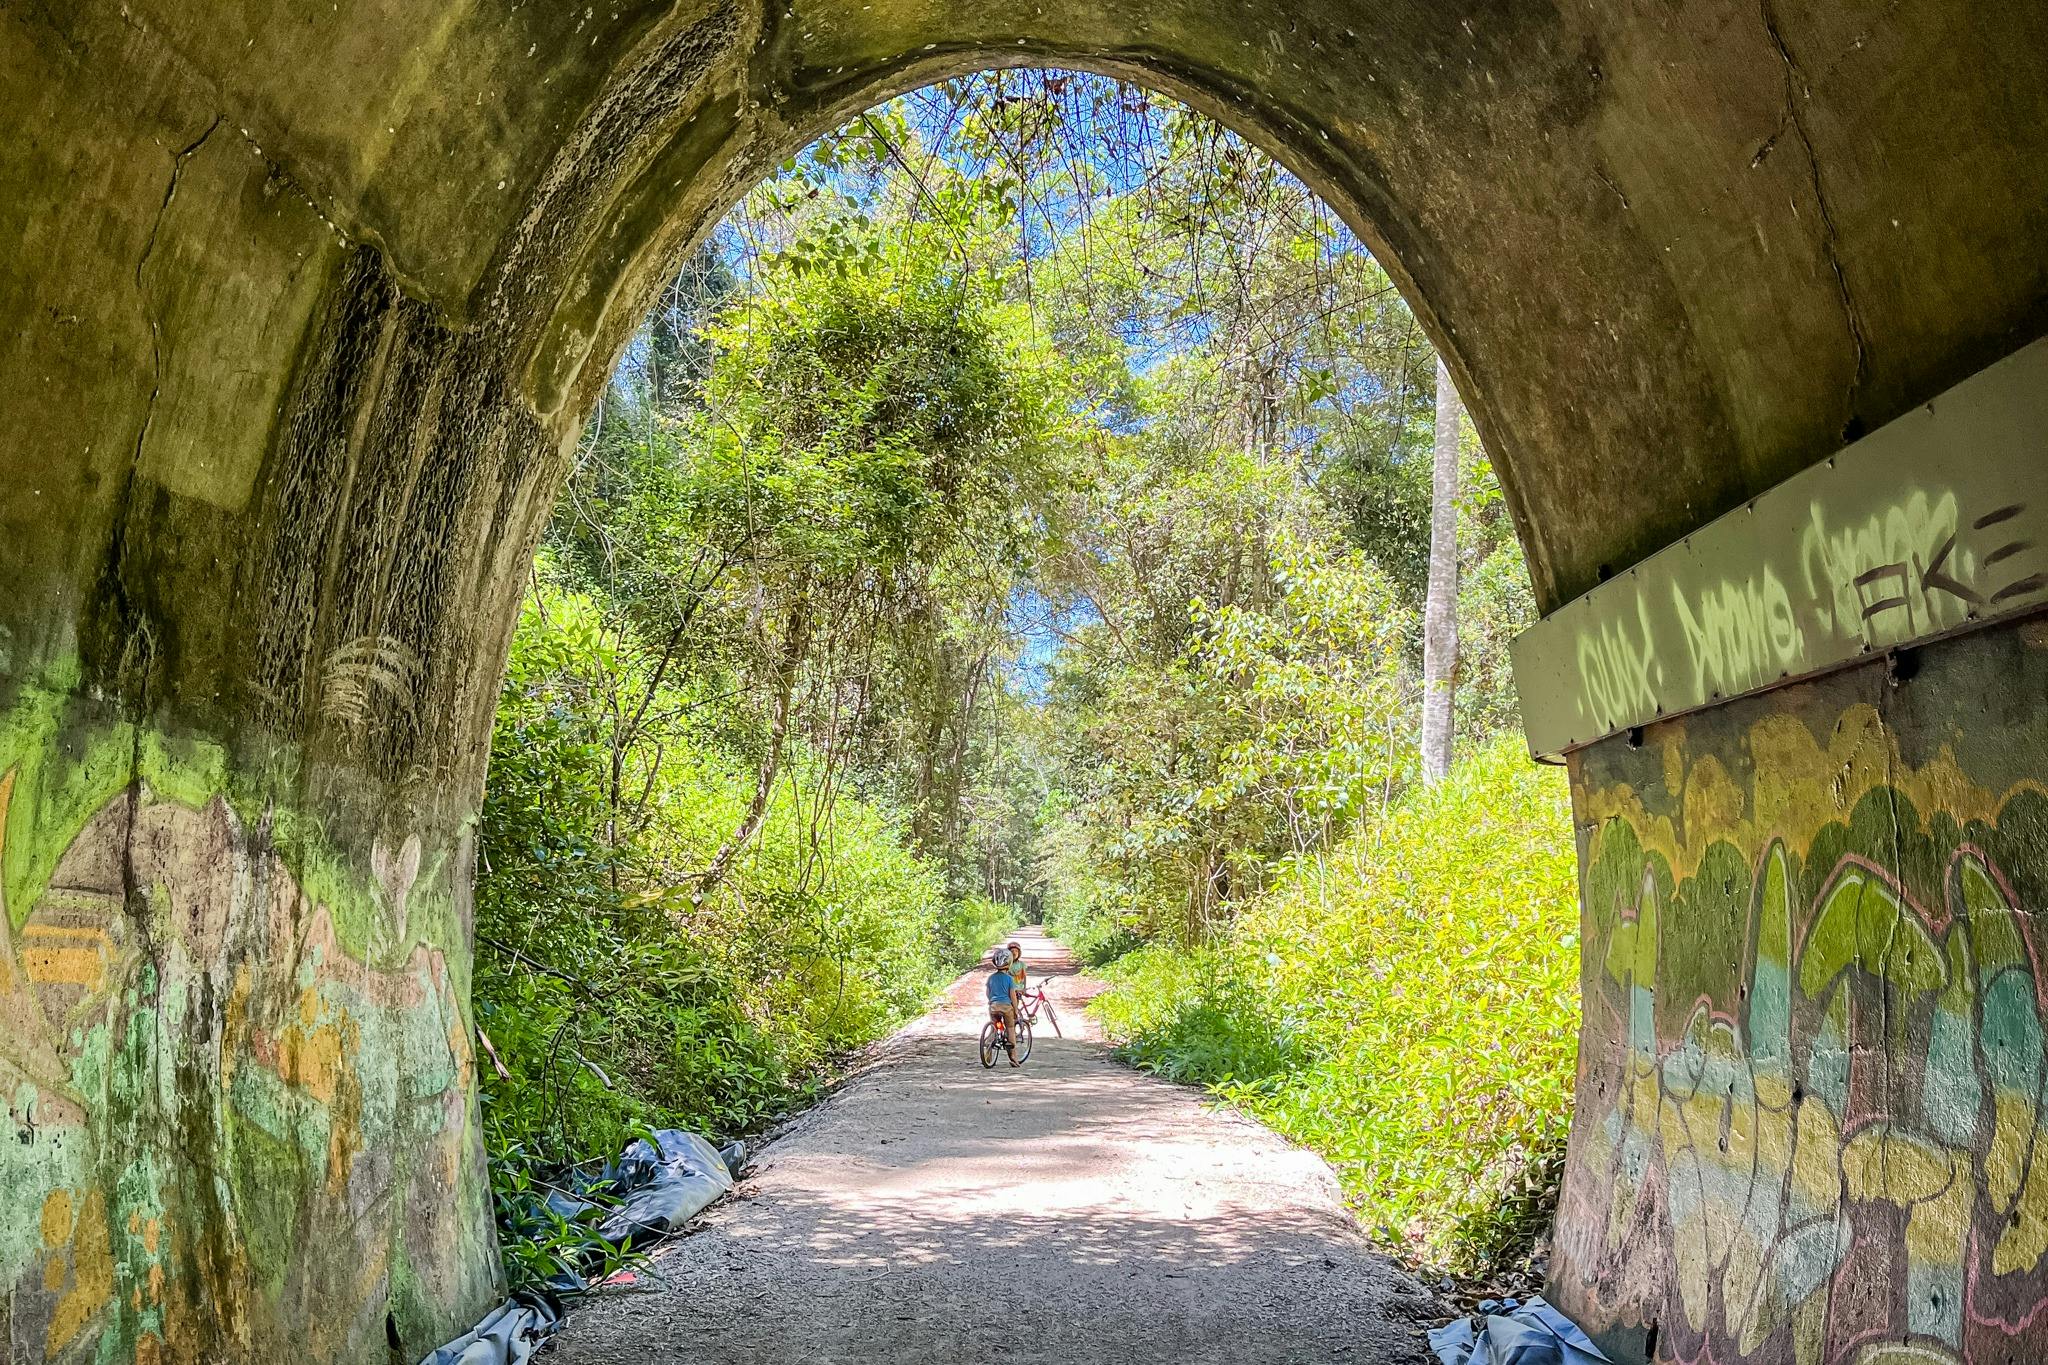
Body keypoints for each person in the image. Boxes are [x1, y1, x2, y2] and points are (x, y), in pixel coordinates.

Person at [986, 948, 1020, 1060]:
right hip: (1006, 1007)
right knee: (1010, 1027)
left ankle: (988, 1050)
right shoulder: (1009, 979)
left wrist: (992, 1000)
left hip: (994, 1006)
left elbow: (988, 993)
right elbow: (1013, 996)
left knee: (994, 1027)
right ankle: (1014, 1056)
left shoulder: (991, 978)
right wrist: (1015, 1009)